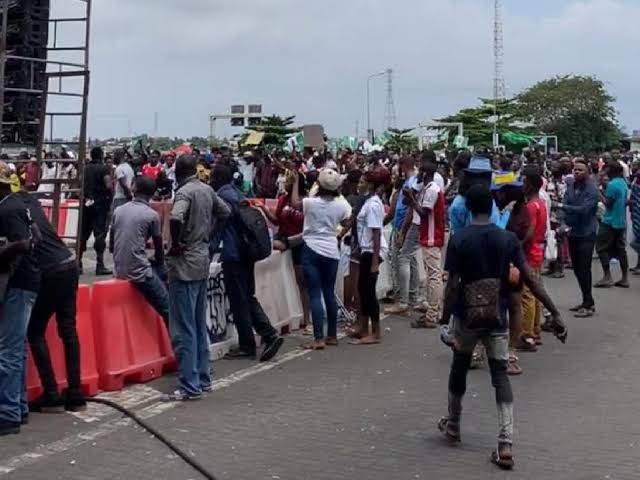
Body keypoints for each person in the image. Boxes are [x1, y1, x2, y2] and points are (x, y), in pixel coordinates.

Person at [438, 184, 566, 470]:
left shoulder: (459, 239)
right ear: (493, 207)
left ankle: (454, 424)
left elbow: (452, 285)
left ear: (468, 208)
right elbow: (530, 277)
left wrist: (444, 320)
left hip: (466, 318)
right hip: (497, 316)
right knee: (500, 376)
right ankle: (505, 441)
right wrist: (555, 312)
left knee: (459, 368)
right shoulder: (506, 239)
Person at [163, 155, 231, 401]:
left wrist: (178, 244)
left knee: (183, 328)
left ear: (178, 173)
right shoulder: (207, 190)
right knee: (198, 324)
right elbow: (226, 212)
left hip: (185, 264)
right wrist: (210, 238)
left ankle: (190, 384)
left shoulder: (184, 193)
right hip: (202, 258)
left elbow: (175, 217)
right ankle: (202, 378)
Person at [15, 187, 85, 413]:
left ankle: (52, 393)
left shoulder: (9, 209)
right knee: (68, 330)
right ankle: (75, 393)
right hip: (68, 262)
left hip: (50, 272)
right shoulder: (30, 202)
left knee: (35, 330)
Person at [211, 164, 284, 362]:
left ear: (217, 178)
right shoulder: (238, 192)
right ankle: (267, 333)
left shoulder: (222, 198)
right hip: (247, 252)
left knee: (238, 300)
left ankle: (248, 344)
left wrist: (208, 252)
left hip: (233, 253)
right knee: (247, 296)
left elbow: (218, 229)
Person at [289, 169, 351, 350]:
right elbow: (349, 220)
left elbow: (294, 203)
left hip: (311, 248)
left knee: (315, 293)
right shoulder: (340, 205)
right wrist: (339, 233)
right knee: (329, 292)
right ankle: (332, 335)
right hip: (331, 250)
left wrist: (294, 183)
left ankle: (318, 338)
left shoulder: (310, 202)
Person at [0, 162, 40, 436]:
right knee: (16, 348)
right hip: (25, 283)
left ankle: (8, 413)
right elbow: (34, 235)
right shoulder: (17, 204)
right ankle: (19, 407)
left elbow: (24, 246)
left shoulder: (7, 209)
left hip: (18, 284)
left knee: (8, 351)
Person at [111, 176, 169, 326]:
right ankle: (177, 345)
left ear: (133, 189)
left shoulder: (118, 210)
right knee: (168, 308)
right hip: (139, 271)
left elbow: (112, 243)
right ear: (152, 193)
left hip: (118, 267)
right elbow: (159, 249)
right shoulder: (152, 215)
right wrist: (161, 267)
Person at [258, 170, 310, 328]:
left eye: (289, 181)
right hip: (282, 237)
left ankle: (306, 318)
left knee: (302, 283)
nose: (284, 183)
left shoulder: (306, 201)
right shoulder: (282, 199)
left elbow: (306, 225)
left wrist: (289, 242)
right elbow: (277, 221)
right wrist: (264, 210)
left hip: (299, 242)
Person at [349, 167, 391, 345]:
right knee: (362, 289)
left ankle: (375, 332)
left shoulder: (373, 205)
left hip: (372, 251)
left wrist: (374, 261)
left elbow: (375, 232)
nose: (361, 184)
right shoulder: (369, 201)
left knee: (368, 292)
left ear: (373, 185)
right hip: (366, 249)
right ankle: (364, 328)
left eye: (365, 181)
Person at [404, 161, 446, 329]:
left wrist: (412, 199)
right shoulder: (429, 188)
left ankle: (433, 314)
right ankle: (433, 310)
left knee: (434, 276)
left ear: (425, 172)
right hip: (429, 235)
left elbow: (423, 213)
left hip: (431, 235)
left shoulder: (431, 190)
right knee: (432, 275)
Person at [556, 159, 599, 318]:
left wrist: (562, 207)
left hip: (586, 234)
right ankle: (586, 300)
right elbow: (564, 206)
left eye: (580, 170)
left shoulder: (591, 190)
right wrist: (562, 221)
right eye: (575, 169)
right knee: (578, 270)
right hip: (572, 233)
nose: (576, 172)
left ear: (587, 172)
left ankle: (589, 304)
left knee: (584, 269)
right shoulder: (571, 187)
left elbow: (584, 210)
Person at [516, 166, 548, 352]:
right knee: (535, 292)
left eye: (524, 181)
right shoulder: (540, 204)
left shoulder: (530, 206)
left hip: (529, 253)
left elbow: (529, 231)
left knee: (527, 295)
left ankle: (527, 334)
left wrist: (518, 245)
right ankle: (535, 330)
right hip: (537, 251)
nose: (522, 184)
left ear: (531, 184)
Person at [385, 156, 419, 315]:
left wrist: (403, 231)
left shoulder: (411, 183)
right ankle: (412, 297)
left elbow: (409, 209)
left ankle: (404, 300)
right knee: (410, 260)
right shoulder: (409, 182)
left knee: (401, 260)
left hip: (404, 226)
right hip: (403, 225)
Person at [594, 161, 630, 288]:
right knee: (621, 250)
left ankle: (607, 276)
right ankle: (624, 278)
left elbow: (608, 204)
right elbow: (625, 201)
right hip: (620, 221)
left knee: (601, 247)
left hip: (609, 221)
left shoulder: (612, 185)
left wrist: (599, 194)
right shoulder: (623, 183)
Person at [80, 147, 113, 275]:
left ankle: (79, 263)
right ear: (101, 156)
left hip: (86, 203)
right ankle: (100, 264)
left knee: (83, 234)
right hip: (100, 205)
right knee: (100, 234)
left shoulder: (85, 168)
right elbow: (108, 185)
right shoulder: (103, 168)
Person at [112, 148, 135, 212]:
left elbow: (123, 183)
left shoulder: (119, 168)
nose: (113, 158)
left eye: (114, 156)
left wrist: (128, 192)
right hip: (129, 198)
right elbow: (133, 181)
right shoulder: (129, 167)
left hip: (120, 197)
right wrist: (131, 192)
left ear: (117, 156)